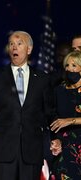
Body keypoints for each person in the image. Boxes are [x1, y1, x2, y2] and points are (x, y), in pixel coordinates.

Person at [0, 30, 55, 180]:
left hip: (31, 151)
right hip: (3, 150)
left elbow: (49, 112)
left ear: (29, 49)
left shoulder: (42, 78)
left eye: (19, 44)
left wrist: (55, 138)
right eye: (11, 44)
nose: (14, 47)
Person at [50, 51, 81, 179]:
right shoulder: (59, 91)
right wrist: (56, 140)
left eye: (74, 65)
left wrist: (71, 120)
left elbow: (66, 120)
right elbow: (53, 118)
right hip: (65, 147)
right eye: (67, 65)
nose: (69, 69)